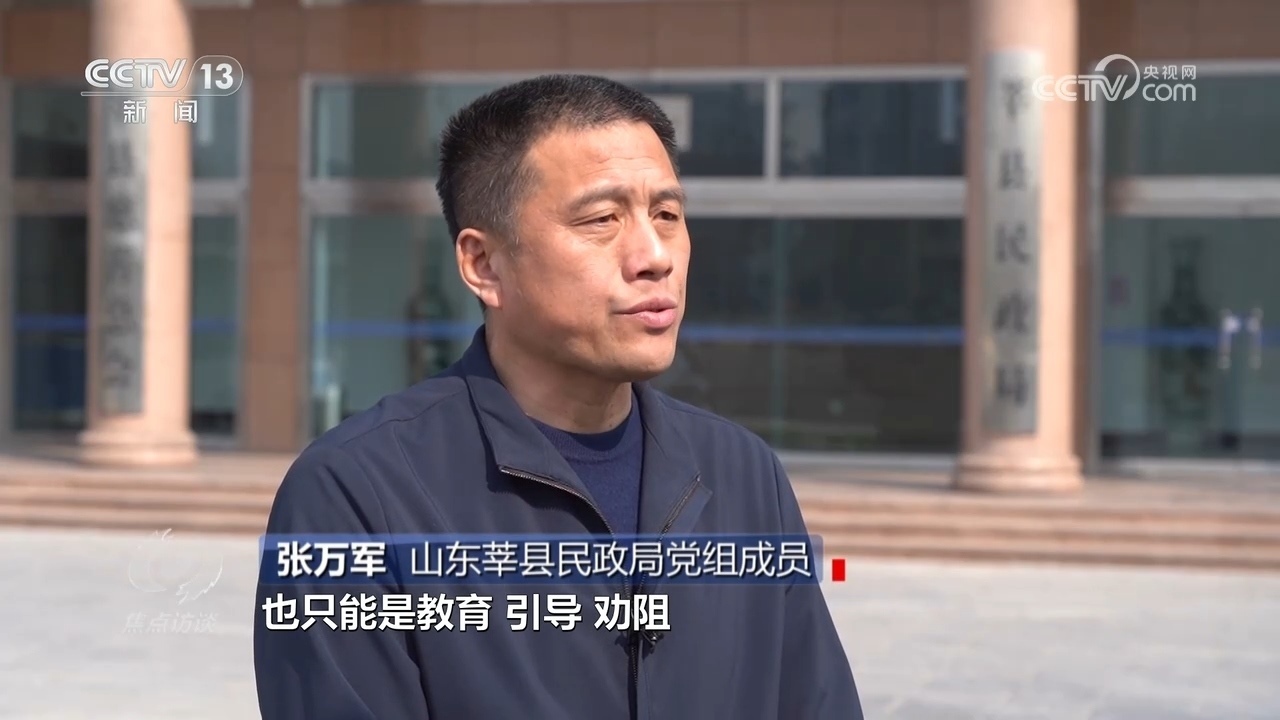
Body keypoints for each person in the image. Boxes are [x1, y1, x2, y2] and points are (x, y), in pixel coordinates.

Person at [254, 73, 862, 720]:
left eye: (667, 215)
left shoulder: (742, 472)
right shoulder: (356, 495)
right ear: (483, 265)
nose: (655, 256)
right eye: (602, 219)